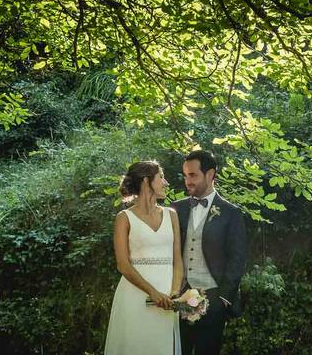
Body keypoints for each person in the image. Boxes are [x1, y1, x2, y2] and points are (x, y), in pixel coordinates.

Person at [104, 160, 183, 355]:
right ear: (147, 181)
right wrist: (152, 292)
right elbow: (123, 265)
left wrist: (173, 293)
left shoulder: (171, 215)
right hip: (135, 297)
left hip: (166, 300)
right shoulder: (124, 218)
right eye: (161, 177)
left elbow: (178, 261)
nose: (166, 183)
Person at [173, 150, 247, 355]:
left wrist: (223, 299)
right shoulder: (176, 209)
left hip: (215, 300)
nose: (187, 181)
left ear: (210, 174)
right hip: (180, 298)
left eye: (193, 175)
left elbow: (237, 258)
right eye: (185, 175)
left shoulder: (231, 213)